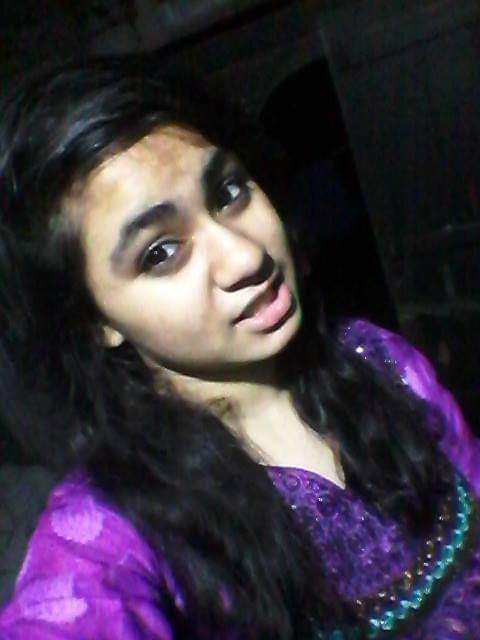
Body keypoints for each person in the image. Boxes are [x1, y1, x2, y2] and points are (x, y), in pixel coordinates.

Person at [0, 56, 478, 640]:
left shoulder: (376, 360)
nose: (246, 256)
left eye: (228, 192)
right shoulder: (113, 525)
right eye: (160, 253)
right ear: (94, 319)